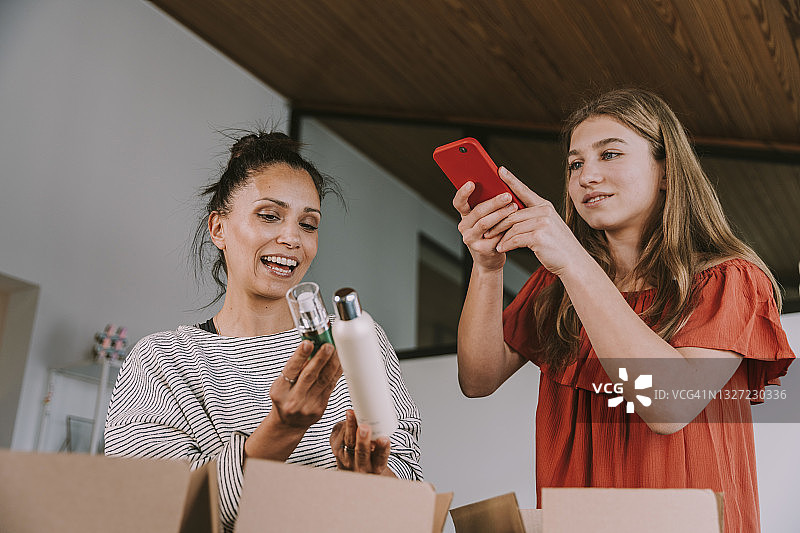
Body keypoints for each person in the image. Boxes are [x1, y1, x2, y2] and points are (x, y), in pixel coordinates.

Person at [453, 88, 794, 532]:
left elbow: (668, 406)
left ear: (667, 171)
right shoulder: (556, 283)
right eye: (576, 164)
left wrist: (572, 260)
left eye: (609, 154)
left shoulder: (730, 279)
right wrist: (487, 265)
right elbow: (477, 379)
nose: (586, 176)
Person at [105, 131, 423, 532]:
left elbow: (408, 493)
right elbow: (152, 514)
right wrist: (281, 429)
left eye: (308, 224)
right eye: (269, 215)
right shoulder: (163, 360)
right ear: (218, 229)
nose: (292, 238)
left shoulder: (355, 338)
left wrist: (369, 478)